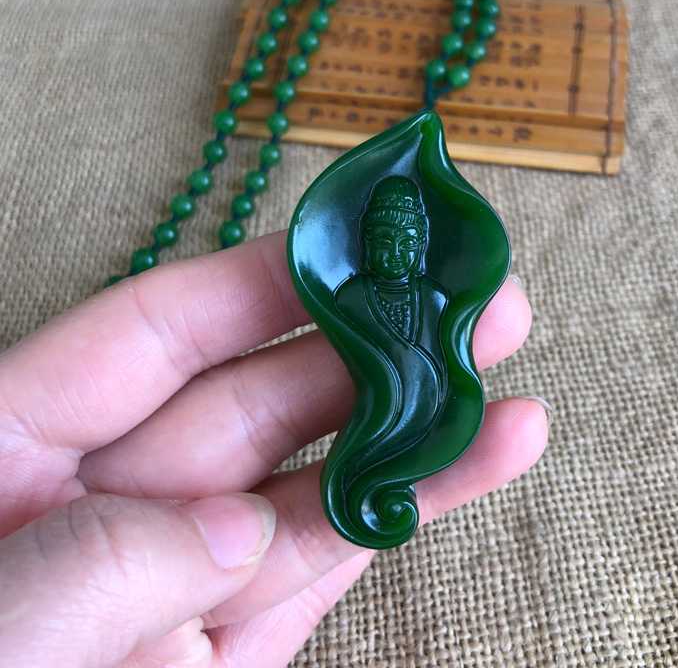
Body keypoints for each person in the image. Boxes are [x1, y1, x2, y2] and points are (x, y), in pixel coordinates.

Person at [0, 230, 549, 668]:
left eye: (407, 241)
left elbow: (435, 359)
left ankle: (377, 479)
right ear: (367, 241)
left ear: (420, 244)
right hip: (377, 418)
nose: (394, 251)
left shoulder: (433, 297)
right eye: (382, 238)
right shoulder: (352, 295)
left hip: (420, 412)